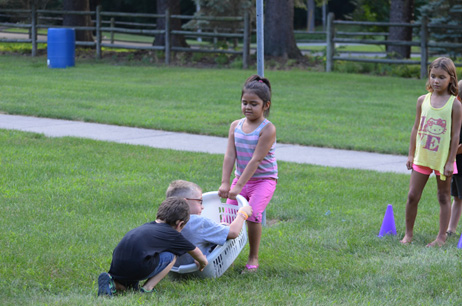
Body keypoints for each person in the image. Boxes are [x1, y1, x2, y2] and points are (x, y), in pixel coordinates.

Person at [218, 75, 278, 272]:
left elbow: (256, 160)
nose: (248, 107)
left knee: (252, 214)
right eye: (244, 103)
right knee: (227, 217)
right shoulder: (235, 126)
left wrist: (238, 186)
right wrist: (226, 182)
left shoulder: (267, 129)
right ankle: (227, 255)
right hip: (239, 179)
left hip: (263, 180)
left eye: (254, 104)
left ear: (265, 105)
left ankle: (253, 257)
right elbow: (229, 155)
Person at [401, 57, 462, 247]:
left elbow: (455, 135)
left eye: (441, 77)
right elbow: (415, 128)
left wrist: (450, 161)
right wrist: (411, 154)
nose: (436, 81)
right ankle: (408, 235)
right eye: (433, 76)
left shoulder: (455, 104)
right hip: (422, 157)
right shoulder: (422, 100)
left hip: (443, 159)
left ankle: (441, 238)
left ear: (451, 79)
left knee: (443, 197)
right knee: (412, 195)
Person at [97, 197, 208, 296]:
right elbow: (195, 251)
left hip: (118, 266)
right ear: (180, 224)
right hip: (138, 266)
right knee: (172, 255)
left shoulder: (146, 227)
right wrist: (203, 263)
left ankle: (113, 283)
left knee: (128, 288)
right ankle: (147, 288)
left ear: (158, 215)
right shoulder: (172, 234)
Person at [166, 180, 253, 266]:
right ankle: (229, 265)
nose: (202, 207)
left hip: (173, 266)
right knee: (226, 230)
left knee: (222, 227)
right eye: (200, 202)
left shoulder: (166, 218)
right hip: (199, 266)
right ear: (185, 202)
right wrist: (242, 214)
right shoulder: (199, 222)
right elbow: (233, 233)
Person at [447, 80, 462, 237]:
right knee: (457, 197)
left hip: (457, 162)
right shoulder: (457, 114)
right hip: (456, 165)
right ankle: (450, 229)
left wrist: (452, 152)